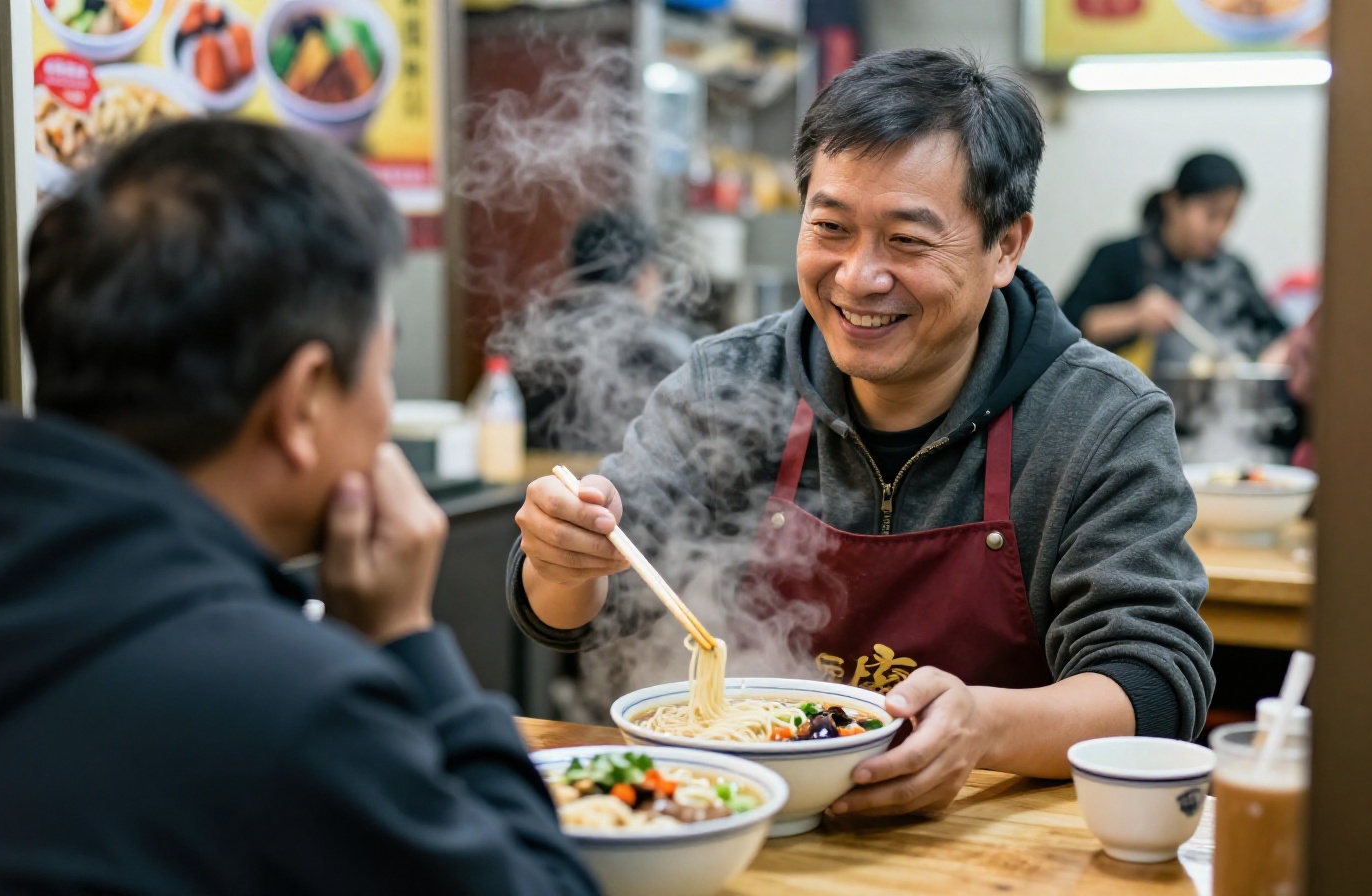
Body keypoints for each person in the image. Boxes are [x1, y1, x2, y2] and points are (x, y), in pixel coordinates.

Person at [0, 121, 597, 895]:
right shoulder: (288, 706)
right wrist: (404, 638)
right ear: (303, 402)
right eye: (382, 377)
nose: (385, 417)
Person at [506, 49, 1214, 817]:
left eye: (907, 241)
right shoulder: (729, 383)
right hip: (741, 828)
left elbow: (1154, 684)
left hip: (990, 851)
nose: (857, 277)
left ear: (1006, 245)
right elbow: (572, 613)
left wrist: (986, 727)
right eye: (832, 228)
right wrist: (565, 560)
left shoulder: (1098, 419)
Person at [1063, 152, 1287, 373]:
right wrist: (1134, 316)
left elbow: (1277, 334)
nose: (1219, 229)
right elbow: (1067, 329)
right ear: (1173, 203)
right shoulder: (1121, 257)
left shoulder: (1233, 271)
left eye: (1228, 217)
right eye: (1211, 215)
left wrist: (1268, 362)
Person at [508, 208, 702, 454]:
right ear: (645, 275)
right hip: (625, 487)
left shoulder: (534, 330)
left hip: (542, 484)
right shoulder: (662, 343)